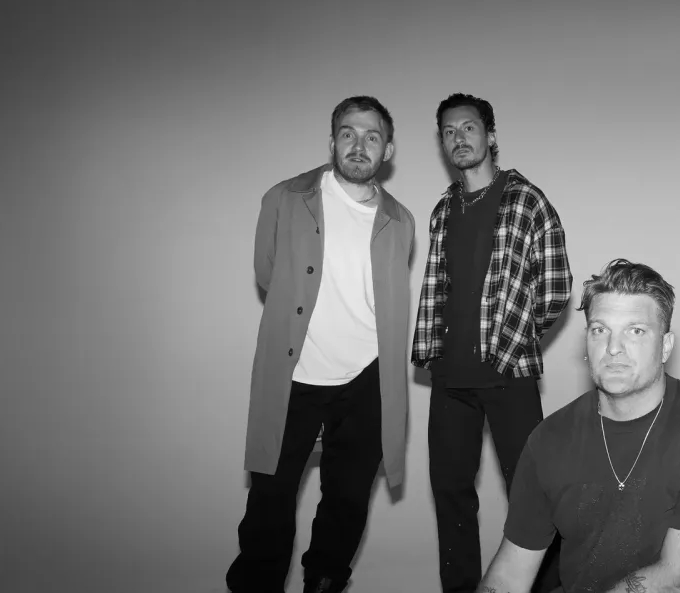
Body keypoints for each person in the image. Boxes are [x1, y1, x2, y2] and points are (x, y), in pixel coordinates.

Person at [226, 96, 416, 593]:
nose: (359, 145)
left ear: (387, 150)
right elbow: (268, 274)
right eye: (348, 133)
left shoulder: (401, 219)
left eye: (372, 136)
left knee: (347, 504)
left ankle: (324, 583)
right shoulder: (285, 198)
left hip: (367, 380)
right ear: (332, 141)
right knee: (269, 503)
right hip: (296, 374)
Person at [478, 259, 680, 593]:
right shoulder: (548, 439)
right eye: (600, 330)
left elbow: (675, 580)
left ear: (665, 346)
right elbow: (510, 574)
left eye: (635, 331)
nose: (613, 348)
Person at [411, 93, 572, 592]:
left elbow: (556, 286)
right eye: (449, 132)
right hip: (449, 379)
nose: (458, 138)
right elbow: (439, 286)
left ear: (491, 136)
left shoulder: (526, 200)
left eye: (468, 128)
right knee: (451, 496)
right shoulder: (443, 209)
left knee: (534, 498)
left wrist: (512, 337)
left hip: (508, 375)